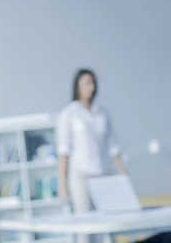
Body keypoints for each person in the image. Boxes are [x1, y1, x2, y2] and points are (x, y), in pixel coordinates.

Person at [56, 68, 126, 243]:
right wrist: (62, 184)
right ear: (77, 86)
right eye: (87, 82)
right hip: (80, 175)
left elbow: (113, 146)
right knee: (85, 225)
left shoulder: (102, 112)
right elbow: (63, 151)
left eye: (93, 82)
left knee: (106, 223)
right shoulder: (69, 113)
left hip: (103, 173)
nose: (91, 87)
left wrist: (124, 174)